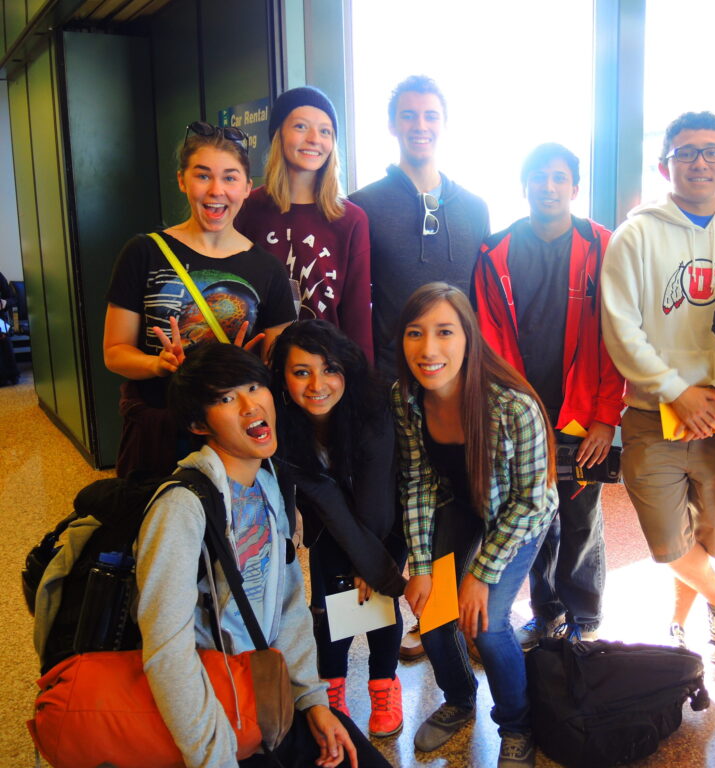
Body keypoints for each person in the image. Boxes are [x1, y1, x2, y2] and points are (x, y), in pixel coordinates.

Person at [137, 341, 392, 768]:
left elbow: (289, 604)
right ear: (198, 424)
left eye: (254, 387)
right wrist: (215, 758)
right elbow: (167, 652)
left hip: (268, 699)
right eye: (226, 398)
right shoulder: (181, 508)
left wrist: (312, 701)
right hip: (216, 720)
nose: (250, 406)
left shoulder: (269, 484)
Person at [601, 111, 715, 661]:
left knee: (706, 537)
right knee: (668, 542)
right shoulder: (635, 236)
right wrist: (677, 391)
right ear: (664, 165)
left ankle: (677, 625)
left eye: (712, 151)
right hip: (652, 417)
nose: (700, 162)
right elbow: (621, 328)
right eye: (686, 152)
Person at [393, 283, 557, 768]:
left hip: (518, 514)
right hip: (458, 504)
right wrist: (422, 566)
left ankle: (517, 725)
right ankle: (459, 699)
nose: (429, 349)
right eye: (415, 333)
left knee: (486, 624)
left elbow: (531, 501)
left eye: (445, 332)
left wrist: (480, 575)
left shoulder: (513, 405)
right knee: (434, 613)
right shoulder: (405, 397)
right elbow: (418, 481)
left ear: (469, 337)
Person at [472, 143, 624, 646]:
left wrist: (606, 417)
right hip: (523, 415)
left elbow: (615, 339)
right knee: (535, 516)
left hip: (583, 413)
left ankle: (585, 618)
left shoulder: (603, 246)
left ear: (575, 188)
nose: (549, 186)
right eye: (539, 176)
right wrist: (510, 412)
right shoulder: (495, 252)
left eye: (559, 178)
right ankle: (546, 612)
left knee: (580, 517)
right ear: (525, 185)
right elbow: (490, 340)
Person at [103, 122, 295, 477]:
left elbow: (277, 363)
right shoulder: (144, 252)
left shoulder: (268, 269)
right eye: (203, 176)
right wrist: (157, 364)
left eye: (230, 178)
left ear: (247, 187)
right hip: (158, 431)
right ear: (182, 180)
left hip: (233, 436)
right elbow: (114, 352)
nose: (216, 190)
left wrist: (246, 365)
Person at [270, 320, 406, 737]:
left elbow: (377, 497)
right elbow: (325, 499)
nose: (317, 385)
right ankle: (332, 685)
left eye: (329, 369)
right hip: (331, 523)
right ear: (283, 377)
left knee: (380, 600)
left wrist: (372, 566)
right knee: (332, 602)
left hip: (389, 519)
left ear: (347, 369)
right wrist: (360, 564)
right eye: (301, 372)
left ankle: (384, 682)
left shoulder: (373, 408)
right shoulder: (282, 422)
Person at [349, 75, 489, 381]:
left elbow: (483, 303)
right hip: (391, 379)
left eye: (431, 116)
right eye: (409, 115)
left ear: (444, 124)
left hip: (461, 377)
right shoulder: (362, 207)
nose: (420, 125)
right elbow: (353, 304)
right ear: (392, 125)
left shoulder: (475, 209)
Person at [235, 86, 373, 361]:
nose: (314, 139)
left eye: (325, 131)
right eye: (301, 126)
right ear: (278, 134)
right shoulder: (246, 208)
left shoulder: (351, 219)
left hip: (325, 371)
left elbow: (358, 319)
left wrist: (363, 379)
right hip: (256, 370)